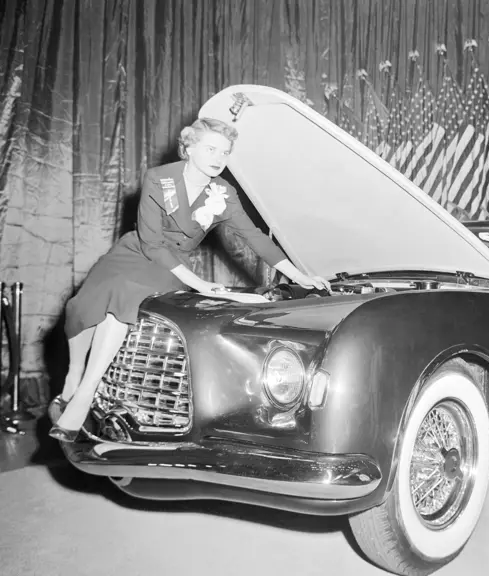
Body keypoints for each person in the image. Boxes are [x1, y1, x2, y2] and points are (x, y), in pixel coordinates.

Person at [49, 118, 330, 442]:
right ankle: (73, 375)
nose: (218, 157)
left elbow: (254, 237)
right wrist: (198, 283)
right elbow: (151, 243)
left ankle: (85, 393)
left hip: (170, 266)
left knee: (123, 295)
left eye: (224, 152)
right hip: (136, 251)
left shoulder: (223, 192)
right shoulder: (159, 178)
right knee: (83, 303)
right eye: (210, 148)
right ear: (189, 147)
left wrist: (299, 275)